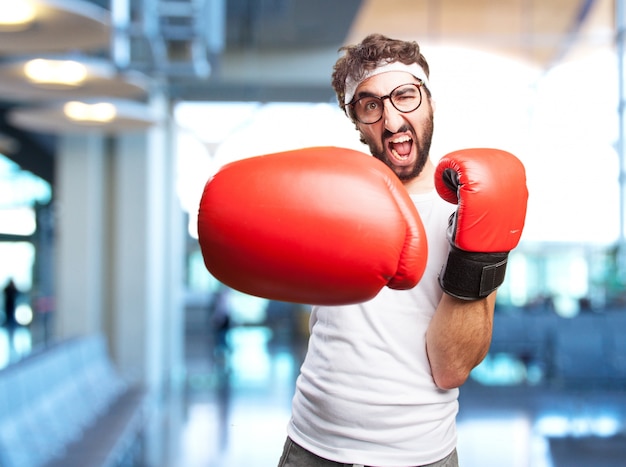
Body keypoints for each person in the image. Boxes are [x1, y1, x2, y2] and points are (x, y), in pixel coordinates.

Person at [277, 34, 503, 467]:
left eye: (405, 96)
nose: (393, 119)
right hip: (311, 445)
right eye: (370, 105)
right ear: (357, 123)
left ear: (429, 102)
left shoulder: (469, 212)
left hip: (420, 455)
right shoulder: (331, 199)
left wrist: (473, 253)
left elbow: (452, 368)